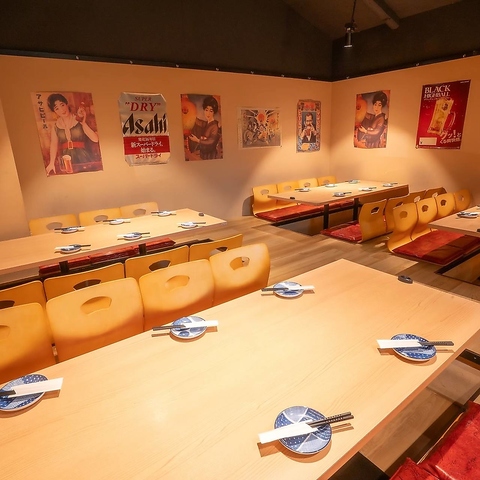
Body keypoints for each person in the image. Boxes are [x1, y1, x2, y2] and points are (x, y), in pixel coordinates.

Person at [45, 93, 99, 175]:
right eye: (57, 108)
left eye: (62, 105)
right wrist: (51, 163)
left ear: (66, 104)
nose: (62, 110)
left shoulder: (78, 118)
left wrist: (83, 122)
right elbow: (53, 144)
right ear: (54, 111)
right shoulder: (55, 126)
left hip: (83, 157)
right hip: (66, 159)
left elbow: (95, 139)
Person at [188, 96, 220, 160]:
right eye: (206, 110)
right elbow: (197, 121)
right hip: (203, 154)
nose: (208, 113)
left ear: (214, 112)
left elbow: (211, 141)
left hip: (210, 156)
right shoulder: (206, 123)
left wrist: (198, 140)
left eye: (211, 111)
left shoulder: (214, 126)